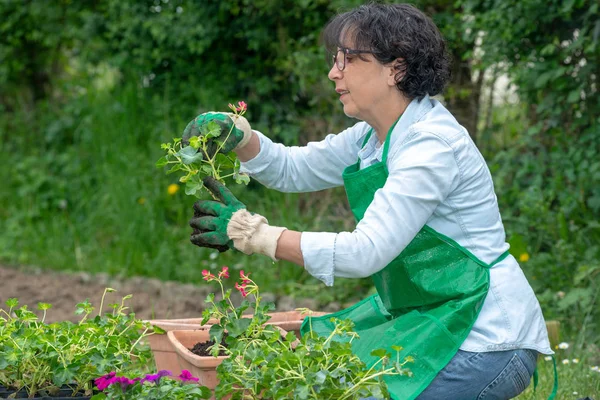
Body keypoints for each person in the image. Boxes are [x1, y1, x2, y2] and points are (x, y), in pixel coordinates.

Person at [185, 3, 554, 399]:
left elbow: (366, 251)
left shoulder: (430, 145)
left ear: (395, 68)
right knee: (325, 373)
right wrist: (244, 138)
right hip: (433, 314)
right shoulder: (372, 136)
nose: (333, 72)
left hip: (486, 339)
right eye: (335, 59)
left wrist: (255, 235)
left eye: (348, 59)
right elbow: (293, 168)